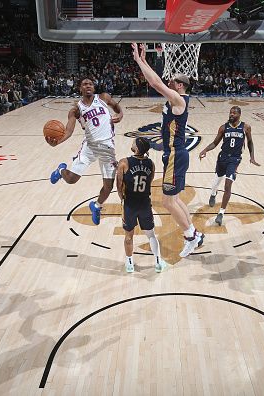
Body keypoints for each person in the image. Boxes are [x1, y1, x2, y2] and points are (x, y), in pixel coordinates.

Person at [131, 43, 204, 258]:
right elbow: (153, 81)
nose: (169, 82)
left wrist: (138, 61)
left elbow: (154, 82)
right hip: (175, 154)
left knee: (167, 201)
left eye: (173, 81)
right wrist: (143, 61)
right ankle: (195, 234)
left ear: (180, 86)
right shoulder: (177, 99)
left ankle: (190, 237)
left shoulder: (178, 99)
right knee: (176, 199)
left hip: (175, 155)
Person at [47, 77, 123, 225]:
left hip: (108, 149)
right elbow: (68, 131)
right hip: (90, 147)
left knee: (108, 187)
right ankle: (61, 170)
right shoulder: (76, 109)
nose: (88, 86)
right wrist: (57, 142)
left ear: (94, 87)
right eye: (84, 84)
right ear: (80, 89)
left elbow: (117, 107)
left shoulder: (103, 98)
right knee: (71, 180)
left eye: (90, 84)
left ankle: (96, 206)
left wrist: (120, 115)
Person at [199, 106, 260, 226]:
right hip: (222, 158)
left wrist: (252, 157)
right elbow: (215, 143)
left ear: (239, 115)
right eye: (230, 113)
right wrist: (205, 150)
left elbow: (250, 142)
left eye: (234, 113)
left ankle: (221, 213)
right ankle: (213, 193)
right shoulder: (223, 128)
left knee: (228, 185)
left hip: (235, 159)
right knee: (216, 182)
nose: (231, 114)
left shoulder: (246, 127)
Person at [116, 137, 166, 273]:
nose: (132, 143)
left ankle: (129, 263)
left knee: (128, 236)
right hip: (144, 203)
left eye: (134, 142)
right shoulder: (151, 164)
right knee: (151, 235)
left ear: (136, 148)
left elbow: (119, 185)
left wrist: (123, 198)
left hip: (130, 204)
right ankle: (158, 262)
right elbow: (148, 181)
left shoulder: (123, 162)